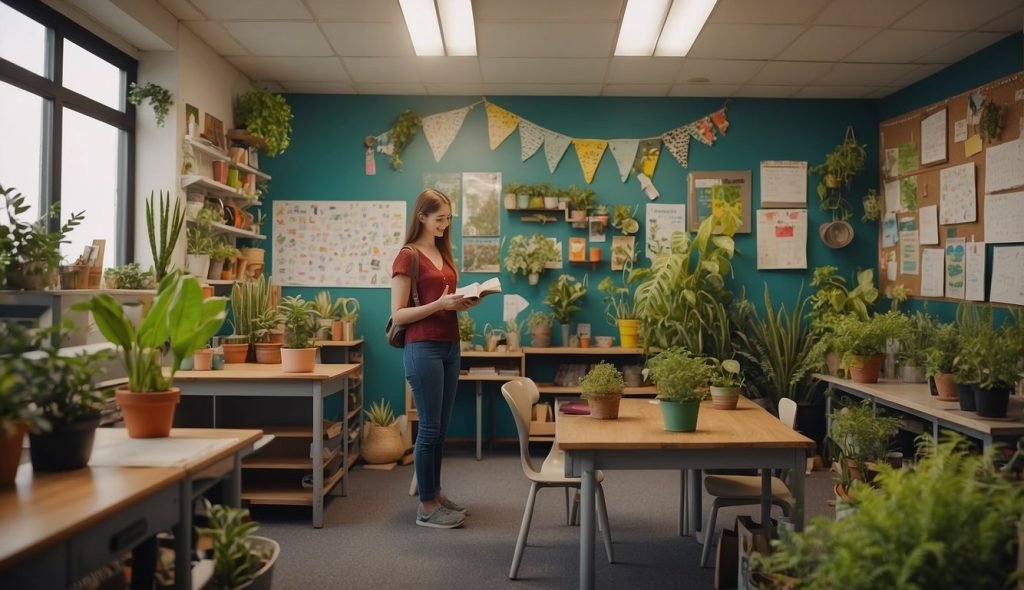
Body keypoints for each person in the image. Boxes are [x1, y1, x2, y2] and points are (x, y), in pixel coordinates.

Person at [391, 189, 477, 529]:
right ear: (422, 217)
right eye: (439, 218)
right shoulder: (407, 256)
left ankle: (436, 494)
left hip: (449, 345)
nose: (445, 224)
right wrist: (440, 306)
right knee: (428, 429)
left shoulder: (442, 251)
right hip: (422, 347)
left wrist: (463, 301)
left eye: (448, 218)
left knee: (440, 429)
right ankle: (426, 506)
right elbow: (398, 315)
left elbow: (444, 299)